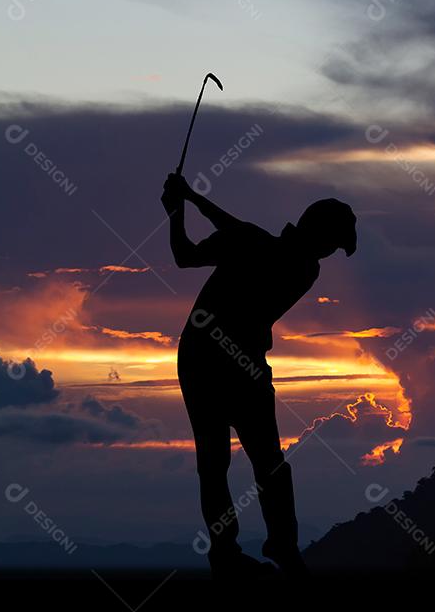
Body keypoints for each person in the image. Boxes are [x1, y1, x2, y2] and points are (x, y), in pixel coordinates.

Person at [160, 173, 356, 579]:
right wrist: (187, 205)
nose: (330, 253)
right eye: (332, 243)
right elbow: (206, 245)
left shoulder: (301, 267)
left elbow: (225, 243)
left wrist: (185, 204)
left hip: (228, 361)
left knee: (261, 464)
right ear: (315, 233)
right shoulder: (277, 252)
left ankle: (269, 547)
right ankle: (238, 551)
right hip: (210, 360)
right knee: (220, 462)